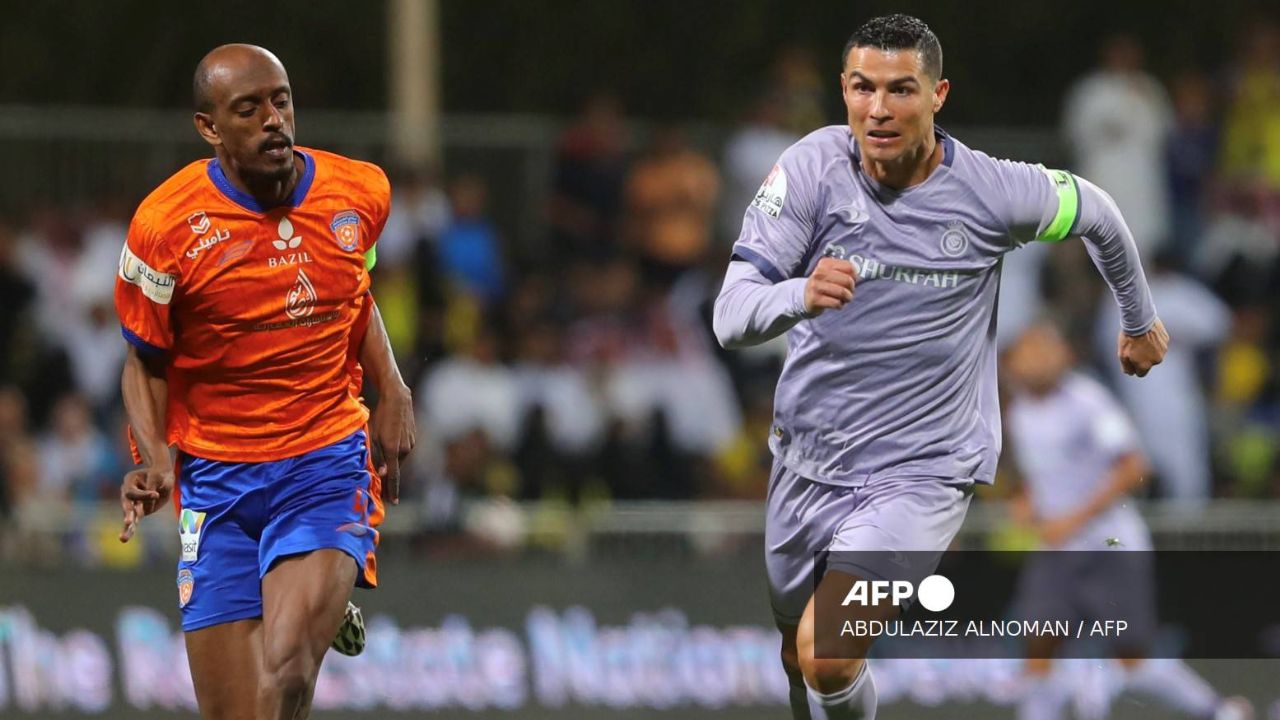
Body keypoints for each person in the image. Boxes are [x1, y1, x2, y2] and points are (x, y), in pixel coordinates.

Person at [712, 15, 1168, 720]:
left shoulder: (992, 192)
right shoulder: (810, 168)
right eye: (863, 88)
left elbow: (1099, 213)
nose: (879, 109)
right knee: (800, 660)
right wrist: (797, 294)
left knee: (828, 650)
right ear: (843, 90)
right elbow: (729, 313)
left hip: (919, 474)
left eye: (901, 89)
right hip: (806, 462)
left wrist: (1139, 320)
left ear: (937, 95)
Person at [113, 45, 416, 720]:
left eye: (280, 101)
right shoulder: (164, 229)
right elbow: (144, 360)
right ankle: (310, 604)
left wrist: (391, 386)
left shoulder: (358, 194)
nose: (273, 119)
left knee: (282, 671)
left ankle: (309, 601)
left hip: (323, 459)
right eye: (248, 109)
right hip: (218, 481)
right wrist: (157, 462)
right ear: (209, 127)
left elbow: (353, 296)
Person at [1004, 321, 1250, 720]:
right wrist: (1027, 502)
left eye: (1045, 349)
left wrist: (1072, 519)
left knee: (1132, 660)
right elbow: (1045, 475)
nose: (1036, 359)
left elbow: (1134, 466)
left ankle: (1217, 710)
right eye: (1028, 351)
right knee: (1038, 648)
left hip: (1110, 547)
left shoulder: (1088, 400)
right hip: (1057, 551)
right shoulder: (1020, 413)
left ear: (1063, 356)